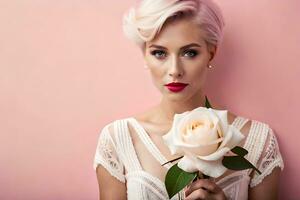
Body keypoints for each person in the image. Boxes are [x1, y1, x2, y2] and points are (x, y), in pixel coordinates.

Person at [93, 0, 284, 199]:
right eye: (159, 53)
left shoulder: (258, 141)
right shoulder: (118, 140)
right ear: (144, 56)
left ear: (211, 53)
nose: (175, 70)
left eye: (189, 53)